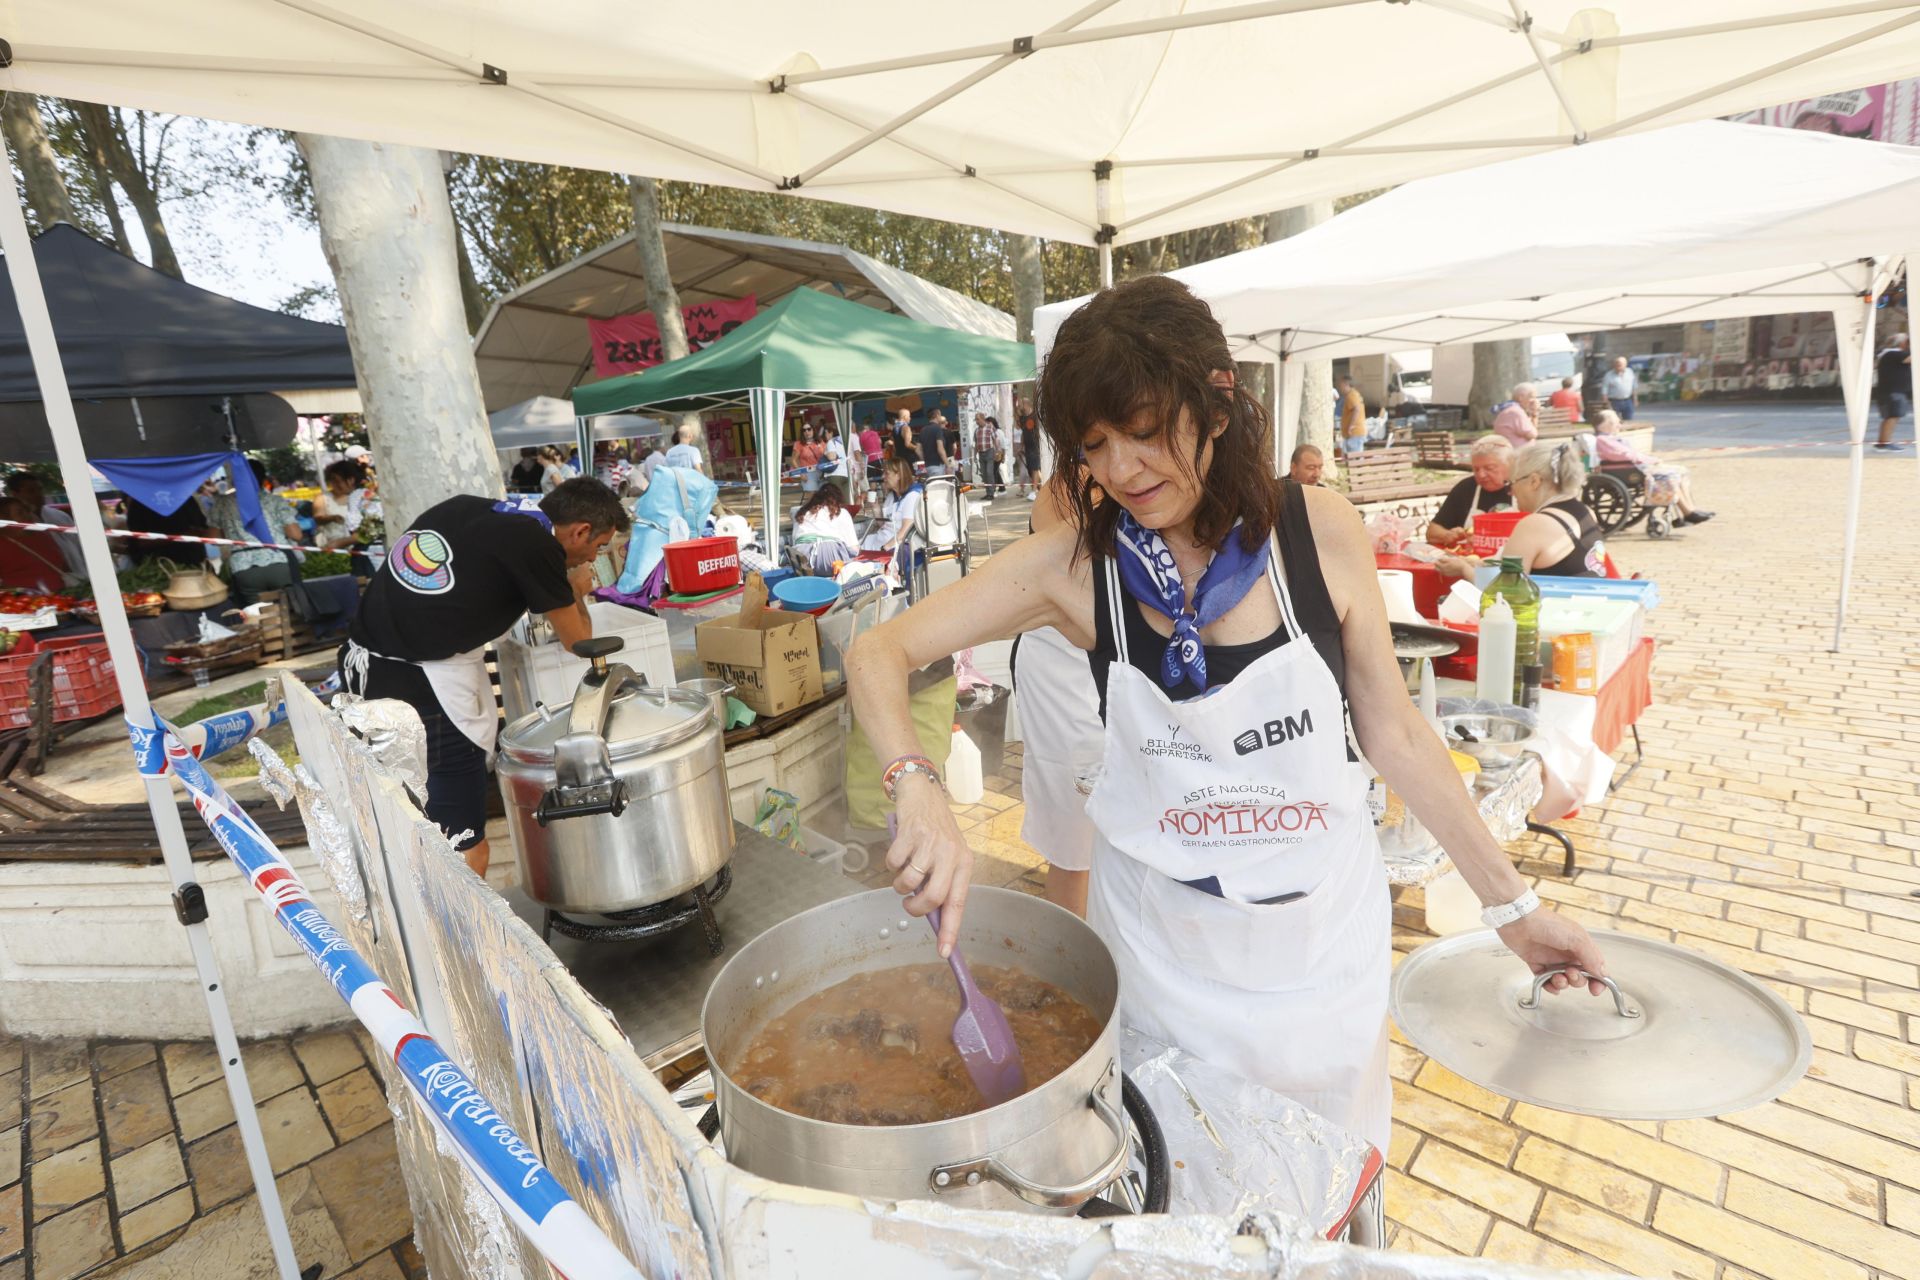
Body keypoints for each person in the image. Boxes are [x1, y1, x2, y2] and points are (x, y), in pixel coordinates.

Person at [848, 276, 1607, 1154]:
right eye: (1094, 445)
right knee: (1177, 1175)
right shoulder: (1075, 567)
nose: (1120, 471)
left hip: (1322, 949)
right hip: (1165, 960)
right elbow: (878, 652)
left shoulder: (1317, 531)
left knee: (1328, 1177)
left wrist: (1515, 910)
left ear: (1215, 404)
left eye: (1143, 431)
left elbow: (1394, 731)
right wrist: (917, 785)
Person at [341, 478, 629, 878]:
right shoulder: (539, 545)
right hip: (422, 690)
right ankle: (458, 917)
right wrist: (576, 589)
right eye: (598, 547)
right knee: (463, 846)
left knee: (411, 816)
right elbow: (579, 642)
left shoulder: (473, 507)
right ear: (580, 531)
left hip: (366, 667)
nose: (593, 559)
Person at [1009, 471, 1103, 917]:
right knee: (1075, 833)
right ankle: (1075, 944)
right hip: (1064, 670)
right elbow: (1074, 569)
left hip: (1119, 667)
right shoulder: (1068, 486)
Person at [1437, 439, 1607, 581]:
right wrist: (1480, 564)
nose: (1511, 492)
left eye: (1512, 483)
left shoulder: (1535, 524)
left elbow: (1507, 588)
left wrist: (1464, 570)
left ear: (1534, 481)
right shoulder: (1585, 511)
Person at [208, 459, 303, 607]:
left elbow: (213, 538)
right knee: (290, 608)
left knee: (256, 614)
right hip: (278, 562)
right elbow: (296, 535)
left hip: (243, 567)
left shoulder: (222, 503)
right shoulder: (274, 501)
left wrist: (232, 530)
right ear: (263, 479)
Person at [1592, 410, 1713, 524]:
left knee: (1682, 472)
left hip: (1631, 468)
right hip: (1627, 470)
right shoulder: (1603, 440)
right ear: (1606, 425)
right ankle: (1688, 512)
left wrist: (1649, 460)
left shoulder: (1610, 439)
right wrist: (1651, 460)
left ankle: (1691, 509)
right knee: (1671, 475)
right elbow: (1626, 456)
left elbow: (1629, 455)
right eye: (1616, 423)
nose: (1619, 425)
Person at [1425, 435, 1514, 548]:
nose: (1481, 475)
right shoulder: (1465, 488)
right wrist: (1447, 535)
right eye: (1476, 469)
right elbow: (1432, 531)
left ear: (1510, 464)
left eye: (1489, 468)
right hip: (1470, 557)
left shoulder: (1523, 488)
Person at [3, 470, 80, 574]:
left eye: (40, 489)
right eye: (31, 491)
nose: (38, 494)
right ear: (15, 494)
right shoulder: (19, 525)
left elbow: (78, 544)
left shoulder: (60, 515)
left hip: (82, 574)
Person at [858, 456, 924, 559]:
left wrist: (885, 549)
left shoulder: (912, 497)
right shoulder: (891, 496)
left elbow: (904, 532)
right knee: (852, 549)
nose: (883, 476)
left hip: (894, 546)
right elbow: (884, 525)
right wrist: (875, 507)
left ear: (898, 475)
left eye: (887, 473)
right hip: (880, 539)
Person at [0, 496, 69, 591]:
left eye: (27, 510)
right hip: (25, 598)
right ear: (5, 519)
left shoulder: (43, 535)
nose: (28, 515)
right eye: (20, 512)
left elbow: (62, 564)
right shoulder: (3, 545)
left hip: (62, 594)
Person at [792, 480, 859, 574]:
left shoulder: (800, 512)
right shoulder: (842, 513)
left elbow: (795, 539)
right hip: (832, 558)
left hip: (802, 558)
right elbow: (854, 549)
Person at [1875, 333, 1910, 451]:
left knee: (1889, 417)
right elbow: (1913, 358)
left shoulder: (1887, 354)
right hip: (1894, 392)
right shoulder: (1895, 354)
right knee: (1892, 417)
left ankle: (1882, 443)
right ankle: (1885, 443)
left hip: (1889, 391)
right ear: (1902, 343)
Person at [1491, 383, 1539, 448]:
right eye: (1532, 397)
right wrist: (1535, 414)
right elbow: (1533, 435)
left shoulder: (1509, 409)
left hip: (1512, 450)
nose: (1534, 401)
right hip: (1517, 452)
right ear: (1521, 397)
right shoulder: (1516, 412)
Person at [971, 412, 1007, 497]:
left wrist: (998, 450)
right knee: (984, 474)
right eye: (976, 420)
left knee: (989, 472)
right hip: (981, 453)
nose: (976, 421)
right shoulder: (976, 430)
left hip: (989, 452)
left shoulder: (990, 427)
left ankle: (991, 493)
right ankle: (988, 493)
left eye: (978, 419)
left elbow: (995, 440)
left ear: (983, 419)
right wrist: (975, 455)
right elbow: (976, 444)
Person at [1018, 395, 1044, 497]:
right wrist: (1021, 446)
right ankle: (1042, 488)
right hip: (1028, 447)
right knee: (1031, 469)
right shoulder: (1022, 418)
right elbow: (1023, 433)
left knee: (1035, 468)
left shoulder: (1035, 416)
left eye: (1020, 405)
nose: (1019, 407)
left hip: (1036, 446)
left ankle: (1034, 491)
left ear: (1026, 404)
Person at [1337, 374, 1367, 456]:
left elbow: (1356, 409)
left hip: (1354, 433)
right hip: (1355, 433)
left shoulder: (1351, 395)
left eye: (1341, 385)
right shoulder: (1354, 394)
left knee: (1354, 458)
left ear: (1346, 384)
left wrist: (1351, 425)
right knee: (1353, 458)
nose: (1340, 388)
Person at [1601, 356, 1638, 421]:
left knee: (1628, 420)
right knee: (1614, 420)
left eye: (1620, 365)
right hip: (1614, 401)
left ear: (1625, 365)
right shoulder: (1609, 375)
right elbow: (1604, 390)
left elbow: (1634, 386)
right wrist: (1606, 402)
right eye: (1616, 364)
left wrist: (1635, 399)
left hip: (1627, 401)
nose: (1618, 366)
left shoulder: (1630, 372)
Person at [793, 424, 824, 493]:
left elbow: (826, 455)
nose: (807, 432)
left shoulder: (820, 441)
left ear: (813, 430)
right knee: (812, 496)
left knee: (825, 494)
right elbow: (794, 460)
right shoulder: (799, 444)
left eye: (809, 429)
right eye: (804, 430)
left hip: (822, 472)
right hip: (808, 473)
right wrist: (801, 473)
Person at [924, 410, 954, 477]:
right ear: (937, 415)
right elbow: (941, 449)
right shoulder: (938, 429)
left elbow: (918, 449)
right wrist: (948, 465)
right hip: (938, 465)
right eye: (940, 415)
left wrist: (924, 460)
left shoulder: (923, 430)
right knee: (942, 483)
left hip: (927, 466)